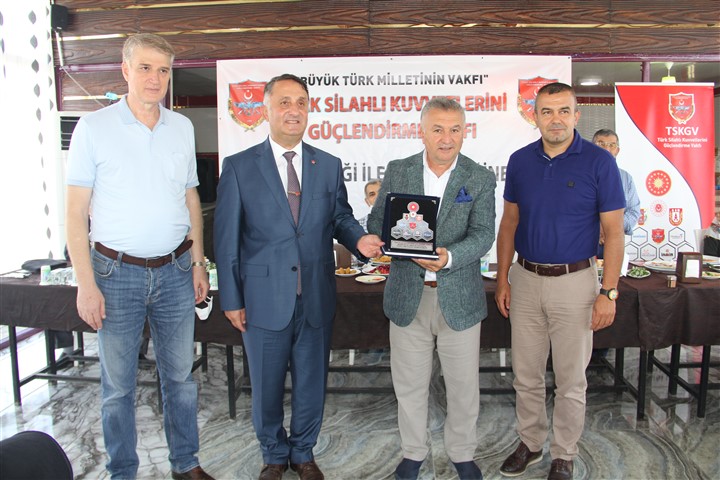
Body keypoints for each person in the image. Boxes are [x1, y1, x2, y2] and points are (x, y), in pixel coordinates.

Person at [214, 73, 384, 480]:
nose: (294, 110)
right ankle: (274, 455)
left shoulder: (327, 165)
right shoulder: (239, 167)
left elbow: (340, 217)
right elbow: (226, 239)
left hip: (315, 296)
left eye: (302, 103)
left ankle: (303, 452)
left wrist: (359, 239)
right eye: (285, 102)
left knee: (311, 382)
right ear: (267, 110)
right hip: (262, 299)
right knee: (266, 385)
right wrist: (232, 299)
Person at [65, 33, 213, 480]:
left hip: (175, 271)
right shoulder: (93, 128)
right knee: (117, 388)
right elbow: (75, 213)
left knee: (181, 379)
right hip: (115, 274)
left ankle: (186, 464)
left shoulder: (181, 127)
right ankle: (122, 472)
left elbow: (190, 199)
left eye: (163, 70)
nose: (155, 78)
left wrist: (199, 262)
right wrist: (85, 284)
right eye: (145, 68)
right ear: (125, 69)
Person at [494, 83, 625, 480]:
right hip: (526, 280)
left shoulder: (600, 162)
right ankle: (531, 443)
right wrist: (503, 279)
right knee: (526, 375)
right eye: (547, 111)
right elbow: (509, 223)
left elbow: (614, 233)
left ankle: (564, 453)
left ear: (576, 115)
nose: (556, 119)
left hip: (576, 283)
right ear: (534, 117)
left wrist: (609, 292)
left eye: (564, 111)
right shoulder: (520, 161)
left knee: (570, 379)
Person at [367, 97, 496, 480]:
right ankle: (413, 453)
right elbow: (377, 221)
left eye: (455, 129)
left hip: (460, 297)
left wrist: (450, 256)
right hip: (408, 296)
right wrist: (390, 239)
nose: (446, 138)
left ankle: (462, 453)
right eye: (438, 129)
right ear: (421, 131)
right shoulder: (399, 170)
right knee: (409, 385)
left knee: (463, 387)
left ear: (465, 132)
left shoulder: (479, 177)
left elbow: (483, 233)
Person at [591, 128, 641, 253]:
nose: (606, 149)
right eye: (601, 144)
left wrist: (610, 227)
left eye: (611, 145)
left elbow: (633, 211)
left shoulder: (626, 178)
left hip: (613, 242)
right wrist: (596, 228)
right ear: (592, 148)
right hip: (582, 241)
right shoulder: (580, 176)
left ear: (617, 150)